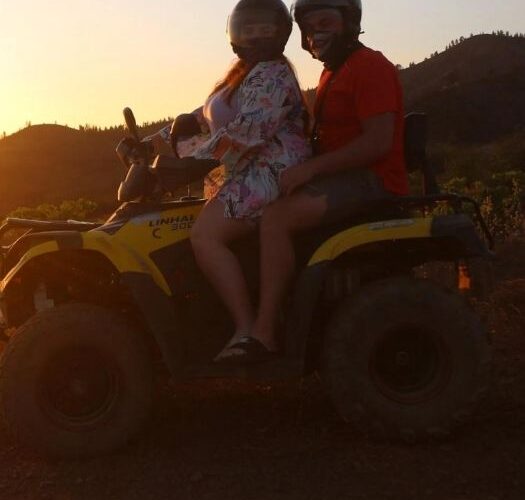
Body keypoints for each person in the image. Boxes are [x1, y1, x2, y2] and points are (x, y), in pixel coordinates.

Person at [217, 0, 409, 363]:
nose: (316, 33)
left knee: (276, 217)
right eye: (308, 27)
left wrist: (311, 170)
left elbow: (378, 141)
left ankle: (264, 333)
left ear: (348, 23)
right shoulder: (333, 72)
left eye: (325, 21)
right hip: (341, 178)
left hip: (371, 180)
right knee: (262, 207)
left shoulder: (370, 67)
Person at [153, 0, 311, 360]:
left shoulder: (272, 74)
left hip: (272, 169)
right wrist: (151, 145)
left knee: (205, 234)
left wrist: (192, 163)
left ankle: (247, 331)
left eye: (263, 28)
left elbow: (248, 130)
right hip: (245, 168)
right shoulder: (238, 74)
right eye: (248, 28)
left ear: (280, 32)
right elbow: (204, 116)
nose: (255, 36)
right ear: (235, 32)